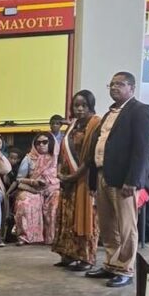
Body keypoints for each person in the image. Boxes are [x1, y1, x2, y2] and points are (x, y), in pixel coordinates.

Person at [85, 71, 149, 288]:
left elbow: (141, 149)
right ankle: (110, 264)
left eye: (120, 84)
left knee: (126, 226)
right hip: (103, 174)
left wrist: (133, 180)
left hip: (124, 180)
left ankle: (125, 268)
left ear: (132, 88)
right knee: (107, 225)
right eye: (112, 84)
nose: (114, 88)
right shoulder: (108, 114)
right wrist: (93, 181)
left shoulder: (141, 110)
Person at [52, 90, 102, 270]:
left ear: (90, 106)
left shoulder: (95, 124)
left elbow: (91, 156)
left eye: (84, 105)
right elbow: (62, 151)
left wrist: (74, 175)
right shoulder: (72, 126)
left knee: (85, 216)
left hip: (84, 179)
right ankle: (68, 254)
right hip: (67, 180)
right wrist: (59, 172)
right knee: (67, 217)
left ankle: (86, 257)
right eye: (76, 105)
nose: (80, 109)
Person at [14, 134, 60, 245]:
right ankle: (25, 237)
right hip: (34, 190)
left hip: (53, 191)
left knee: (56, 203)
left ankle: (52, 238)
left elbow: (61, 175)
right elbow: (19, 179)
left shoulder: (56, 158)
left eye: (44, 142)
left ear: (51, 143)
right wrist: (33, 182)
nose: (41, 145)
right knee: (24, 202)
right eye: (38, 143)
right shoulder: (29, 158)